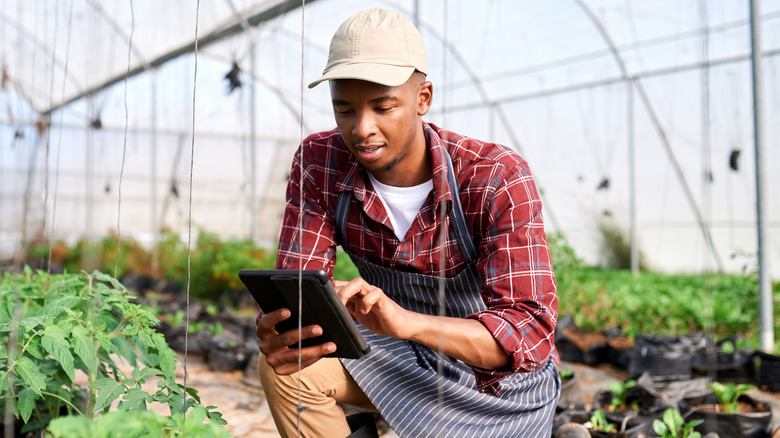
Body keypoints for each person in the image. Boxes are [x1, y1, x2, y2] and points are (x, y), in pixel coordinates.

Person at [256, 8, 560, 438]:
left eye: (383, 107)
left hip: (495, 388)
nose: (362, 129)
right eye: (344, 110)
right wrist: (285, 326)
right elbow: (297, 284)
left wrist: (406, 322)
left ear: (423, 99)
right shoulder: (320, 162)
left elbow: (527, 331)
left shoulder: (494, 176)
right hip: (400, 358)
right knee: (292, 368)